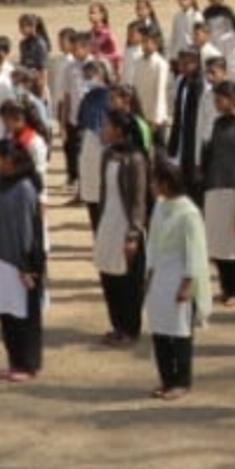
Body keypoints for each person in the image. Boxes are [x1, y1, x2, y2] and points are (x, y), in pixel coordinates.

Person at [142, 157, 208, 398]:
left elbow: (195, 251)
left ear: (167, 183)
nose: (152, 185)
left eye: (155, 181)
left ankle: (182, 381)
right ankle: (166, 378)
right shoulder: (160, 207)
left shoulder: (189, 213)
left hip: (179, 277)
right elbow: (152, 243)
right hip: (160, 277)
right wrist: (149, 273)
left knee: (179, 333)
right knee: (160, 331)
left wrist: (187, 284)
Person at [0, 136, 46, 382]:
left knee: (24, 315)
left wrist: (26, 266)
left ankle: (28, 363)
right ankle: (14, 360)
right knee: (6, 313)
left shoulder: (24, 188)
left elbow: (27, 231)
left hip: (21, 263)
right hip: (2, 258)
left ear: (9, 160)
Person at [91, 112, 149, 348]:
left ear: (119, 130)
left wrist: (134, 233)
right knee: (108, 273)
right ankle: (117, 325)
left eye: (107, 125)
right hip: (108, 220)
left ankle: (130, 327)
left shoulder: (135, 159)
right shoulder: (107, 155)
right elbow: (105, 193)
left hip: (126, 224)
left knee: (128, 279)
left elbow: (138, 199)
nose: (103, 129)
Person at [199, 83, 235, 310]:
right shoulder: (217, 124)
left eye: (220, 99)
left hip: (234, 187)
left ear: (231, 100)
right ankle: (226, 287)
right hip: (214, 185)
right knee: (217, 242)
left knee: (234, 242)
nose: (216, 103)